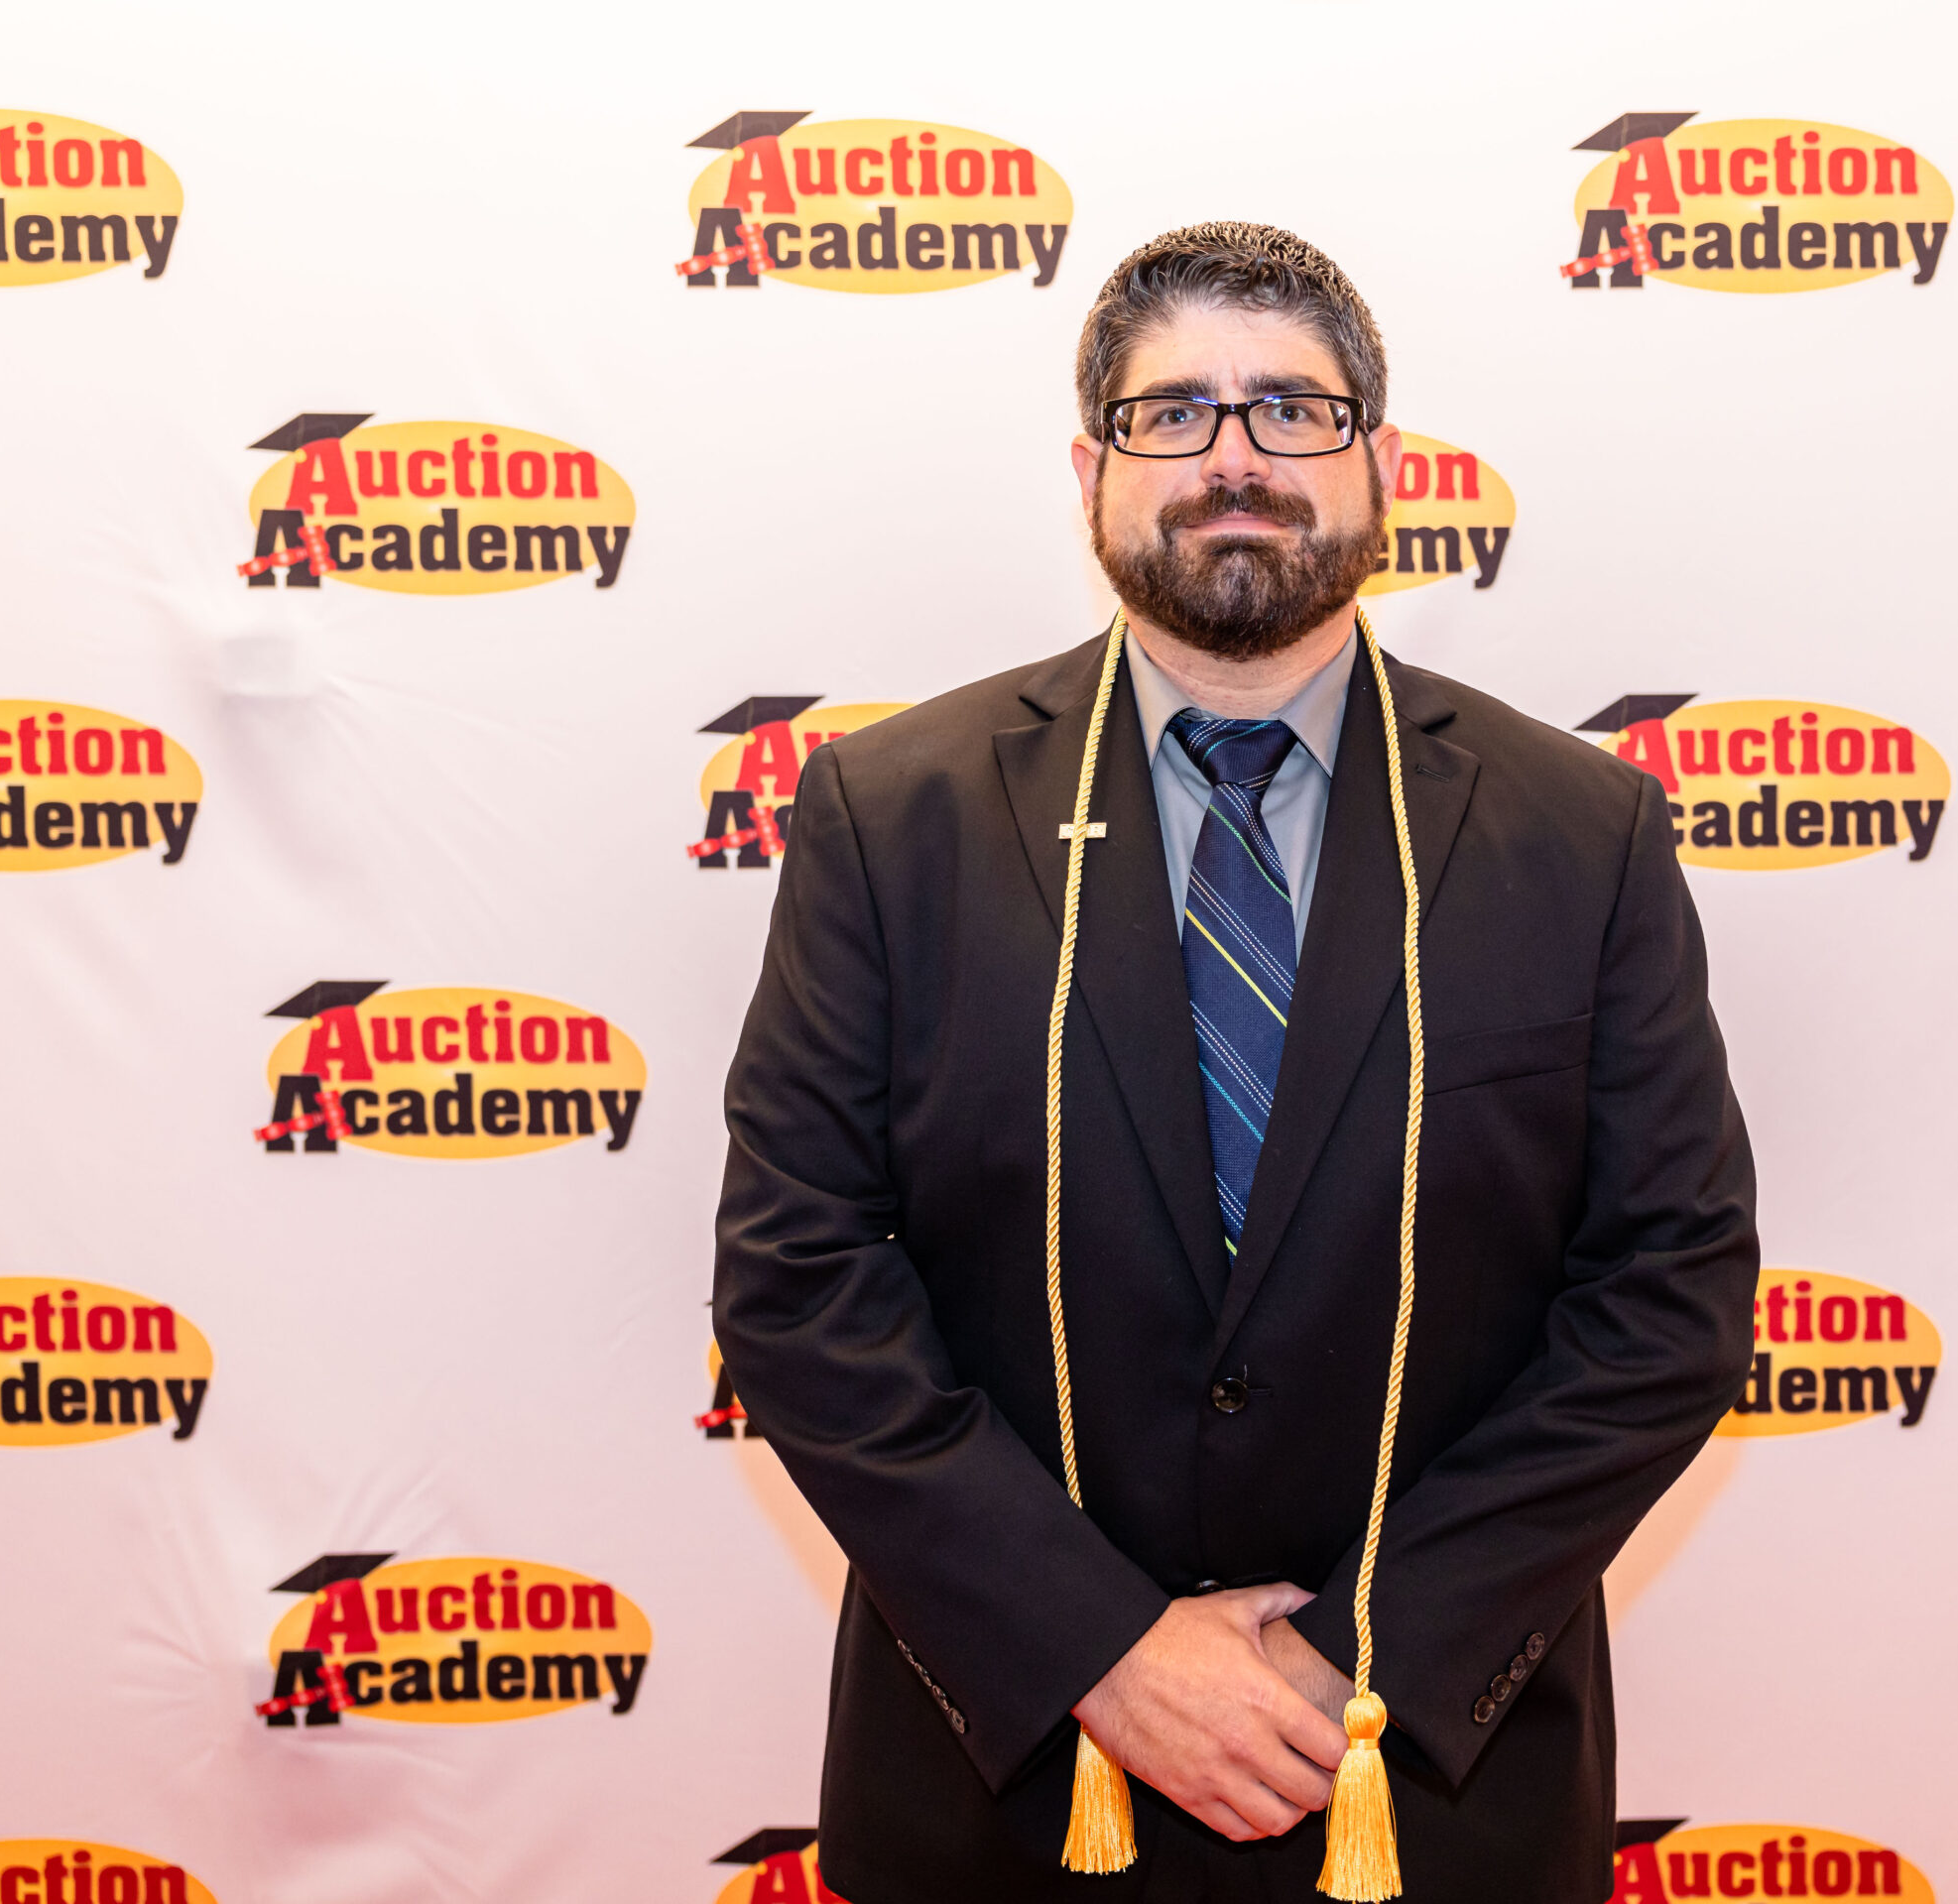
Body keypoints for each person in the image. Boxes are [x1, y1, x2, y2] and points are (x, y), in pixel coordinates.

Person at [714, 221, 1758, 1903]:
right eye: (1173, 413)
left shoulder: (1585, 834)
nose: (1234, 458)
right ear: (1092, 471)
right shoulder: (892, 818)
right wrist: (1099, 1649)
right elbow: (798, 1284)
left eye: (1291, 409)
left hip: (1426, 1792)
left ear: (1380, 461)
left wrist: (1359, 1657)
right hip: (1011, 1794)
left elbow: (1669, 1299)